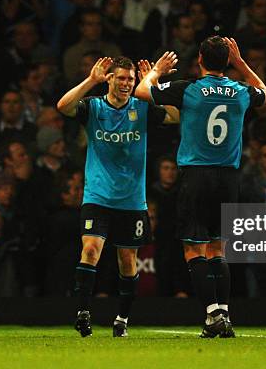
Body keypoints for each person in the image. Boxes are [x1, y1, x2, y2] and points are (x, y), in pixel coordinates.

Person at [135, 36, 266, 337]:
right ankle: (223, 313)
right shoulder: (240, 91)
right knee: (218, 248)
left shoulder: (190, 89)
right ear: (227, 61)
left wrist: (156, 70)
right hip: (228, 178)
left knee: (193, 249)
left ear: (199, 59)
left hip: (197, 175)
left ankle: (211, 315)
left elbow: (142, 91)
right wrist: (241, 63)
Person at [56, 56, 178, 337]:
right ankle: (83, 312)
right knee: (90, 250)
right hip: (98, 195)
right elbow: (63, 106)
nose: (126, 84)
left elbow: (177, 115)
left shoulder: (142, 108)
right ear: (109, 78)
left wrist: (155, 84)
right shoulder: (94, 106)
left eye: (131, 79)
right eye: (120, 78)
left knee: (127, 261)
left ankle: (122, 318)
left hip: (132, 200)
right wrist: (91, 80)